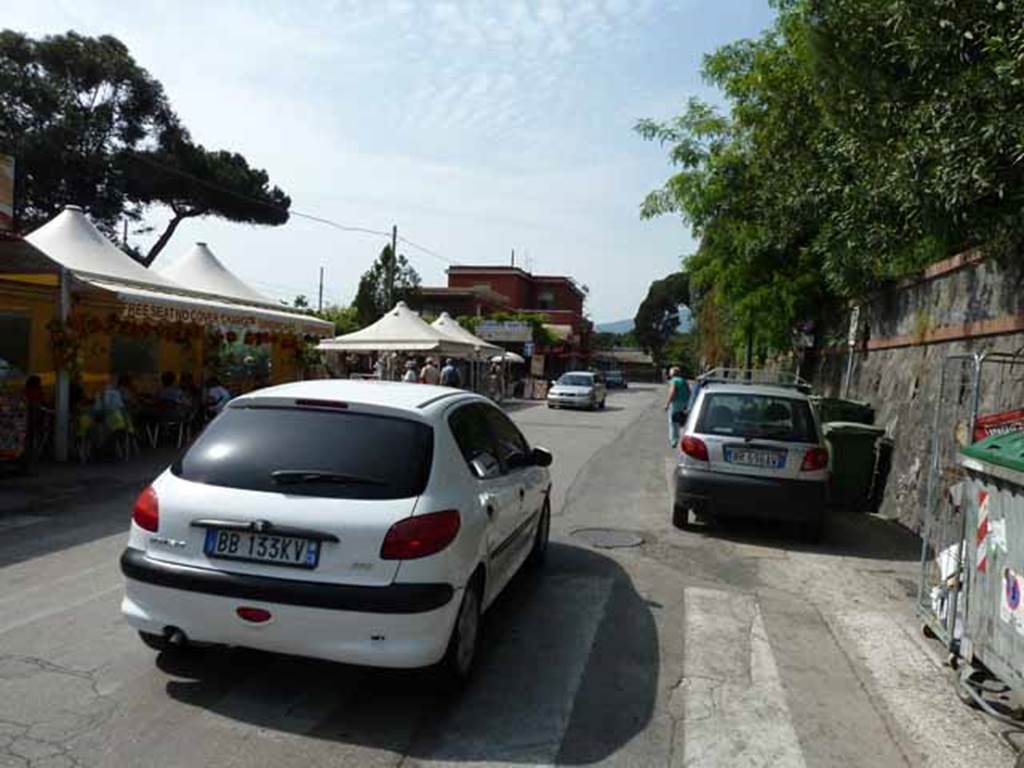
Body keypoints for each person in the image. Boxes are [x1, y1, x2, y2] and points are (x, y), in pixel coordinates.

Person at [664, 366, 691, 449]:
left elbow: (672, 392)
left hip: (676, 403)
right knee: (682, 422)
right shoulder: (684, 381)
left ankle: (674, 440)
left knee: (673, 422)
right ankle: (683, 438)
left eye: (670, 372)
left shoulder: (674, 381)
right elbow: (689, 392)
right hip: (685, 403)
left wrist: (667, 404)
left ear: (672, 374)